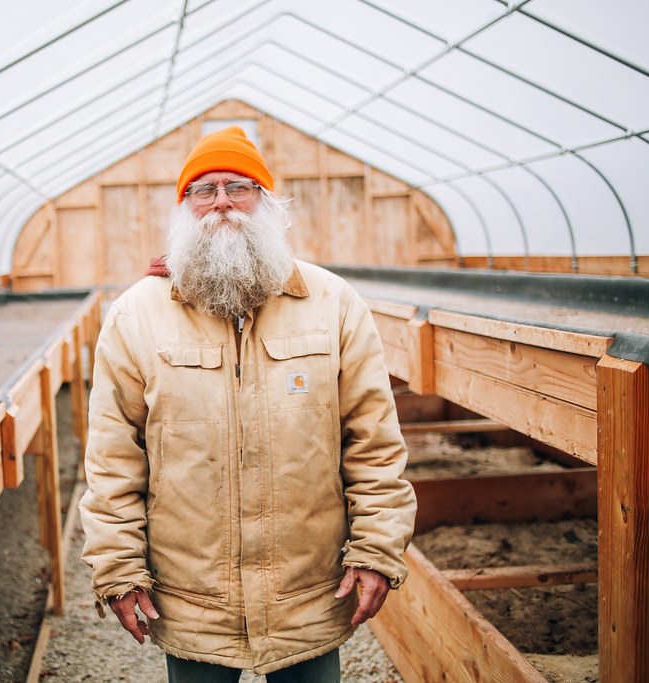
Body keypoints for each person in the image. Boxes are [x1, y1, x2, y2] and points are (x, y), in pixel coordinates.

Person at [79, 126, 416, 681]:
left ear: (267, 201)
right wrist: (119, 567)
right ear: (184, 207)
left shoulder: (332, 303)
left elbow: (374, 443)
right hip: (190, 599)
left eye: (238, 187)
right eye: (203, 190)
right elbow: (113, 457)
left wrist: (377, 549)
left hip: (310, 595)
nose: (221, 203)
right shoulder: (137, 315)